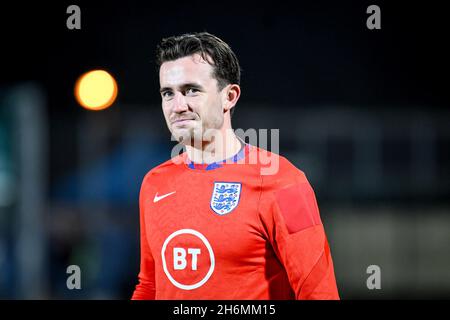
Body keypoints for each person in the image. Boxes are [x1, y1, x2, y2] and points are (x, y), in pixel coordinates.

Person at [132, 32, 339, 300]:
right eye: (168, 93)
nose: (178, 106)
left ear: (229, 96)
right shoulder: (154, 183)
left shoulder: (286, 182)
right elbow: (149, 286)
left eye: (191, 90)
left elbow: (318, 291)